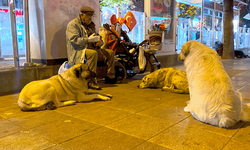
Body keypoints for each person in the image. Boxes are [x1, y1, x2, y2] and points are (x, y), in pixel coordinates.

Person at [66, 6, 116, 90]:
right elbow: (74, 40)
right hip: (79, 51)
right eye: (88, 16)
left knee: (110, 53)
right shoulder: (73, 25)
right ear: (82, 15)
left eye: (91, 16)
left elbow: (97, 36)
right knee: (92, 54)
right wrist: (88, 40)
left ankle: (110, 76)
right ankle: (91, 81)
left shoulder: (91, 25)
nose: (90, 18)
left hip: (93, 49)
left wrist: (100, 41)